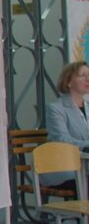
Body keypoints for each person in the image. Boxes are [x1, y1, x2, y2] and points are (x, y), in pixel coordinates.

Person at [44, 60, 89, 189]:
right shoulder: (56, 108)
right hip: (66, 168)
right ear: (68, 82)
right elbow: (62, 140)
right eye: (82, 75)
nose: (88, 79)